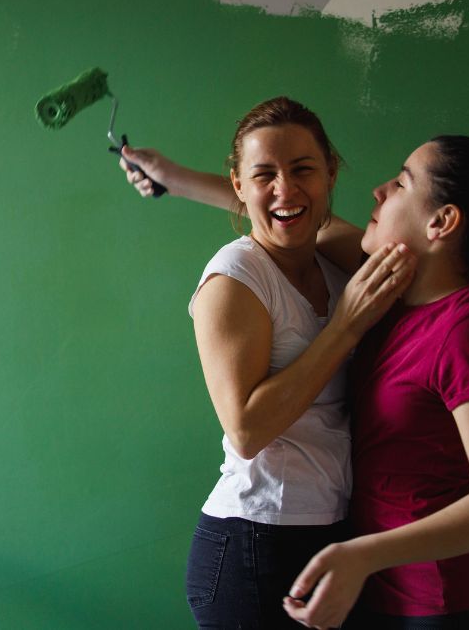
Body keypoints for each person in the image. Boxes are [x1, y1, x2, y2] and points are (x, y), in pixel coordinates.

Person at [122, 135, 469, 629]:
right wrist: (173, 178)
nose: (378, 190)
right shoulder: (390, 286)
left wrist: (363, 555)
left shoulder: (466, 330)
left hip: (444, 604)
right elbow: (288, 215)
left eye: (402, 182)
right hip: (383, 593)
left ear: (441, 222)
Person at [176, 96, 415, 628]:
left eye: (303, 169)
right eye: (264, 175)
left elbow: (408, 265)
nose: (285, 189)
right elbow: (246, 429)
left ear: (330, 173)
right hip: (252, 541)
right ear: (239, 186)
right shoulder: (236, 276)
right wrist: (346, 325)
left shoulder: (333, 268)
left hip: (331, 531)